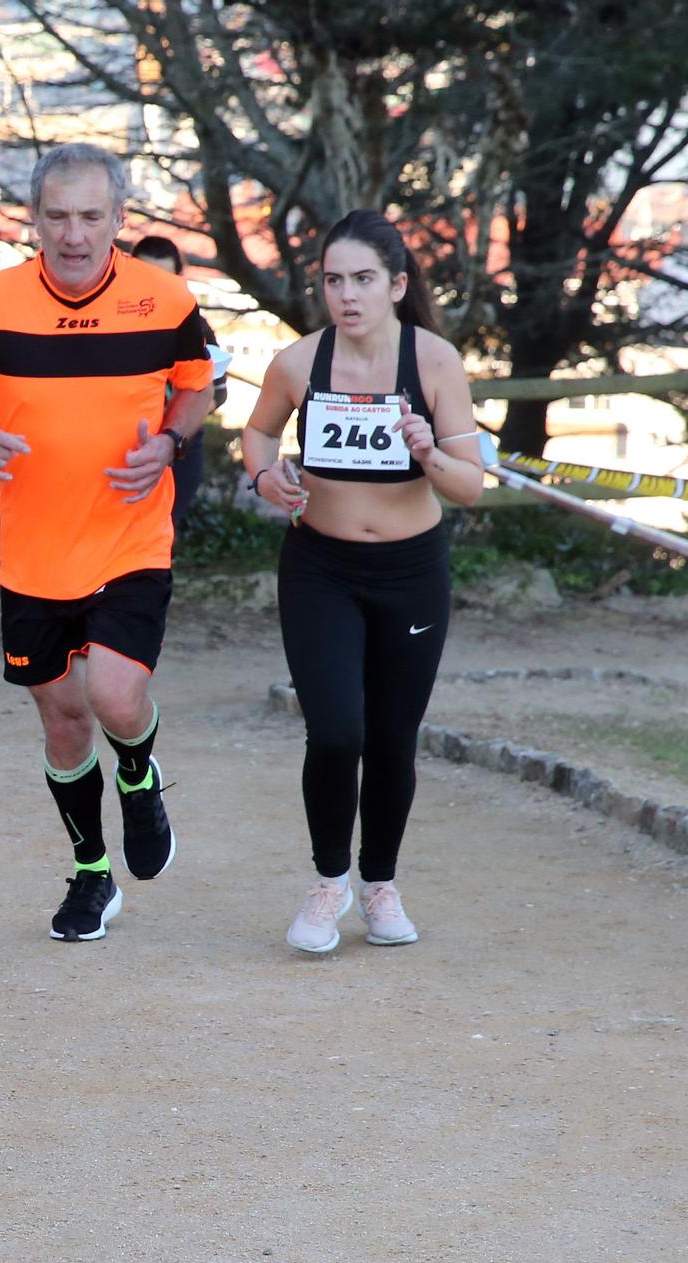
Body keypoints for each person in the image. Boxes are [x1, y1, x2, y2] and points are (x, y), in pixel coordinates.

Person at [0, 143, 214, 943]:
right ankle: (92, 872)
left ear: (121, 219)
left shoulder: (164, 301)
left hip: (130, 538)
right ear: (34, 221)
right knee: (62, 722)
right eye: (58, 215)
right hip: (34, 557)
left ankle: (139, 772)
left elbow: (196, 391)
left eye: (92, 216)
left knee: (114, 696)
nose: (75, 233)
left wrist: (171, 444)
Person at [238, 209, 485, 953]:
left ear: (396, 285)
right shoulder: (298, 363)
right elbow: (256, 432)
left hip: (410, 572)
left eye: (363, 280)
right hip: (320, 568)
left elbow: (469, 484)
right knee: (337, 730)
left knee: (391, 740)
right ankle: (327, 883)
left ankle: (380, 885)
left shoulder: (435, 361)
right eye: (333, 279)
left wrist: (426, 450)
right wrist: (264, 478)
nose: (346, 295)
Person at [132, 235, 231, 538]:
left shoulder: (195, 328)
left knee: (159, 534)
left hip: (178, 448)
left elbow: (217, 392)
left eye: (164, 278)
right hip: (123, 442)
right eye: (145, 276)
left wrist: (179, 414)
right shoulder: (111, 323)